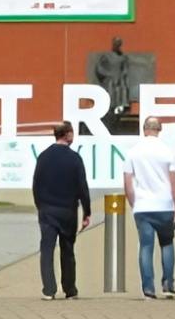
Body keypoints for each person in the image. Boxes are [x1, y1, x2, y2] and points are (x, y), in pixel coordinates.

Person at [124, 115, 175, 299]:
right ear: (159, 129)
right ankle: (168, 284)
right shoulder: (167, 151)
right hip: (164, 204)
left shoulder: (133, 152)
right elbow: (174, 183)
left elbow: (127, 184)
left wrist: (134, 203)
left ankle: (148, 288)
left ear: (144, 129)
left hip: (142, 205)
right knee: (167, 243)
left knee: (146, 246)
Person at [32, 123, 92, 300]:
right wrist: (87, 211)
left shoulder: (43, 157)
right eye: (72, 132)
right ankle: (70, 289)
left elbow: (36, 185)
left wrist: (40, 206)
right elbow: (82, 187)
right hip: (68, 211)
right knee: (67, 249)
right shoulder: (74, 158)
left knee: (47, 249)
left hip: (47, 210)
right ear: (67, 135)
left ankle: (49, 290)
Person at [91, 36, 135, 129]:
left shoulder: (123, 57)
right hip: (109, 83)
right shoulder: (106, 56)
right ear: (113, 44)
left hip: (119, 84)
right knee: (110, 102)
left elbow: (125, 70)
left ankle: (117, 120)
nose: (117, 45)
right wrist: (108, 75)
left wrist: (121, 77)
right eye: (116, 43)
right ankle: (109, 119)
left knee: (119, 102)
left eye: (119, 43)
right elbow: (99, 68)